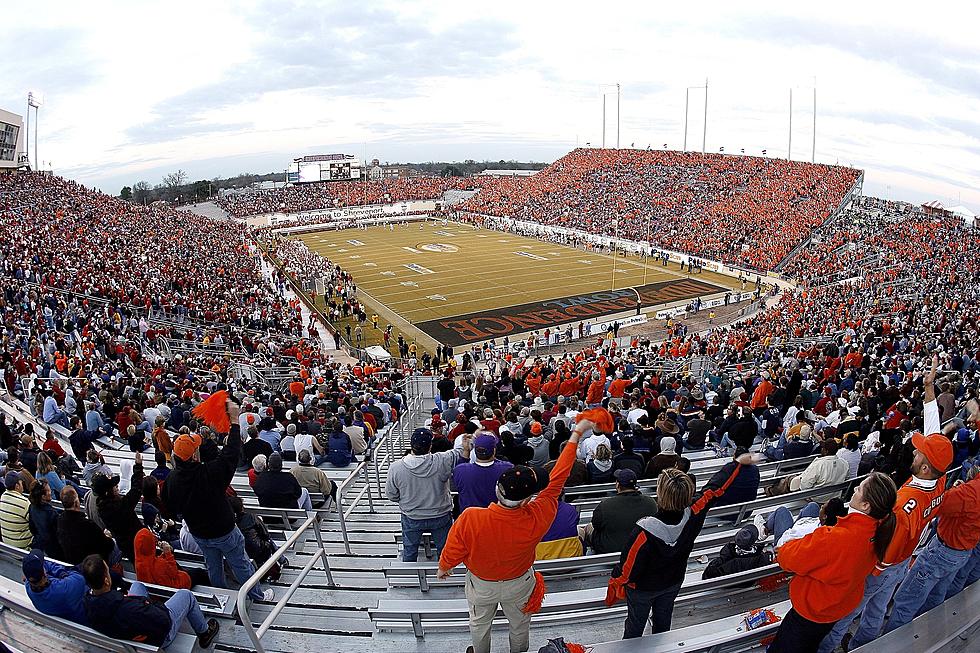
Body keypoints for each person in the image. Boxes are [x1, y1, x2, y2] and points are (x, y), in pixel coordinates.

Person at [437, 409, 601, 653]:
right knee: (520, 625)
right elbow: (558, 476)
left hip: (482, 584)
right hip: (520, 582)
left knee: (479, 625)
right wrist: (576, 433)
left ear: (497, 489)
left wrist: (444, 567)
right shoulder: (539, 514)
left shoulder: (471, 517)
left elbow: (453, 550)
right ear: (526, 500)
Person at [819, 358, 952, 652]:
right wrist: (929, 389)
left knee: (851, 608)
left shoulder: (904, 503)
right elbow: (934, 433)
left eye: (920, 454)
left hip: (886, 563)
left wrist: (873, 568)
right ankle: (864, 643)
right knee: (876, 610)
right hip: (903, 559)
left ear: (926, 467)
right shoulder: (939, 478)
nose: (915, 451)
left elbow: (890, 542)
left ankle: (827, 648)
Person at [607, 452, 760, 637]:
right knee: (664, 617)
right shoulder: (694, 512)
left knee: (635, 623)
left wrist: (615, 582)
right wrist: (736, 464)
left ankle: (632, 645)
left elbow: (627, 571)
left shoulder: (643, 533)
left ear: (660, 494)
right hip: (673, 580)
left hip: (644, 589)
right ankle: (662, 643)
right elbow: (714, 489)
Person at [766, 472, 897, 653]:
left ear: (866, 505)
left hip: (812, 610)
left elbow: (788, 558)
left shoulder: (836, 538)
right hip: (836, 607)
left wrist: (787, 551)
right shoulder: (879, 531)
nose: (855, 490)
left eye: (859, 489)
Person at [162, 396, 273, 602]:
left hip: (199, 532)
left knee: (213, 565)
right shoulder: (209, 473)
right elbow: (231, 452)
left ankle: (221, 598)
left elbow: (168, 508)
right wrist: (233, 421)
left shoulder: (171, 480)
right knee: (240, 563)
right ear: (194, 456)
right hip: (224, 530)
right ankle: (257, 595)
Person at [883, 470, 980, 633]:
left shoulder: (970, 492)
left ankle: (889, 641)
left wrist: (957, 490)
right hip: (963, 552)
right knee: (936, 596)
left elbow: (939, 505)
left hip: (943, 551)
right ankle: (921, 634)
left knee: (906, 600)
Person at [81, 554, 220, 649]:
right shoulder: (129, 609)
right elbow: (164, 621)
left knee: (137, 585)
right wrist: (150, 605)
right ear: (106, 580)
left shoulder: (88, 602)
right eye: (108, 570)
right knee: (186, 595)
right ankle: (205, 633)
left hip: (128, 626)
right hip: (159, 635)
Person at [387, 428, 471, 562]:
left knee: (409, 549)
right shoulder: (442, 460)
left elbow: (391, 495)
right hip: (440, 515)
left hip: (412, 516)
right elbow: (459, 452)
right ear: (430, 446)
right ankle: (445, 575)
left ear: (411, 445)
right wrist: (466, 443)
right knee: (445, 550)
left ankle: (407, 578)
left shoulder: (396, 467)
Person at [581, 469, 658, 554]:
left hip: (609, 550)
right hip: (643, 549)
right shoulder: (651, 503)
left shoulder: (605, 505)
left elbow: (596, 525)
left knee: (588, 527)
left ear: (617, 484)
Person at [93, 455, 144, 562]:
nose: (116, 487)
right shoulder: (118, 507)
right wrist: (138, 467)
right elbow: (136, 490)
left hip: (125, 544)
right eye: (113, 486)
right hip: (136, 543)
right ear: (107, 492)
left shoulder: (102, 506)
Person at [22, 549, 89, 626]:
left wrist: (61, 573)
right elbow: (79, 577)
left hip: (58, 613)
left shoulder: (28, 585)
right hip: (81, 616)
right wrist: (63, 574)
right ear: (44, 572)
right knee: (88, 564)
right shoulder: (64, 589)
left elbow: (46, 565)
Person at [56, 486, 119, 565]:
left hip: (75, 560)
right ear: (76, 502)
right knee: (118, 544)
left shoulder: (60, 520)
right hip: (93, 563)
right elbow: (107, 546)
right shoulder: (87, 524)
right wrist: (108, 537)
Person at [134, 527, 210, 590]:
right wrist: (168, 553)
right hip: (178, 585)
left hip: (161, 590)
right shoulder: (159, 564)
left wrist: (164, 554)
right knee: (200, 572)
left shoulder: (139, 564)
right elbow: (174, 572)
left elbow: (157, 567)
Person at [452, 434, 512, 512]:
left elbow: (460, 468)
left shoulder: (461, 470)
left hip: (471, 519)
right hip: (495, 517)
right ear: (494, 450)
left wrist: (466, 450)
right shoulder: (507, 468)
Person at [701, 524, 772, 579]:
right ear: (752, 543)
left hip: (730, 581)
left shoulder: (727, 552)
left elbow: (707, 575)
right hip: (746, 582)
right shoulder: (758, 558)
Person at [28, 479, 63, 559]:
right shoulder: (51, 514)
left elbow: (32, 528)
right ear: (43, 496)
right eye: (49, 490)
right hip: (53, 550)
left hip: (41, 546)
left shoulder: (31, 507)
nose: (51, 492)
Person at [0, 471, 31, 549]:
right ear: (17, 486)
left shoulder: (2, 497)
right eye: (21, 482)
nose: (23, 485)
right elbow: (35, 523)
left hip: (7, 544)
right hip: (23, 546)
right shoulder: (24, 502)